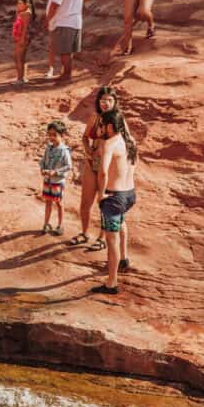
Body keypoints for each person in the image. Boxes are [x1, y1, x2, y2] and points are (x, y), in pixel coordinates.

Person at [90, 109, 137, 295]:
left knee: (112, 241)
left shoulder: (109, 144)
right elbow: (133, 165)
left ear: (110, 126)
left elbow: (103, 172)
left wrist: (101, 194)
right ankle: (124, 259)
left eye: (102, 124)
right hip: (129, 194)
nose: (100, 127)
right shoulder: (131, 141)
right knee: (122, 222)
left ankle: (111, 283)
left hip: (113, 197)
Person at [70, 86, 119, 251]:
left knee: (104, 203)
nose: (106, 103)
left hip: (109, 166)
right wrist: (87, 150)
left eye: (110, 100)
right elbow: (85, 137)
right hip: (92, 163)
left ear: (115, 102)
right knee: (85, 202)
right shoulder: (94, 117)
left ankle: (102, 238)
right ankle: (84, 233)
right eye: (103, 100)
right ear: (98, 101)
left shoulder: (118, 120)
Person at [45, 0, 84, 81]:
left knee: (64, 52)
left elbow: (54, 6)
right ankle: (66, 73)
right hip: (75, 21)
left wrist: (48, 19)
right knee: (69, 51)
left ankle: (67, 75)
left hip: (63, 22)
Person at [39, 120, 72, 236]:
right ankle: (46, 224)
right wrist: (42, 168)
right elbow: (43, 160)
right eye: (49, 134)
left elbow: (68, 166)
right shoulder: (48, 148)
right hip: (48, 180)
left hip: (57, 181)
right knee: (48, 201)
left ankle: (60, 225)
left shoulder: (64, 150)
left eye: (54, 135)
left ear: (62, 135)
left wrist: (56, 172)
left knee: (59, 202)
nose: (51, 137)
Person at [12, 0, 36, 84]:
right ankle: (23, 77)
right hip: (20, 37)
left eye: (20, 3)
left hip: (22, 38)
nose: (18, 5)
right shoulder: (23, 12)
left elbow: (25, 28)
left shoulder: (26, 14)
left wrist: (22, 39)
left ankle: (20, 79)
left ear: (27, 4)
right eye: (18, 3)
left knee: (17, 57)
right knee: (21, 57)